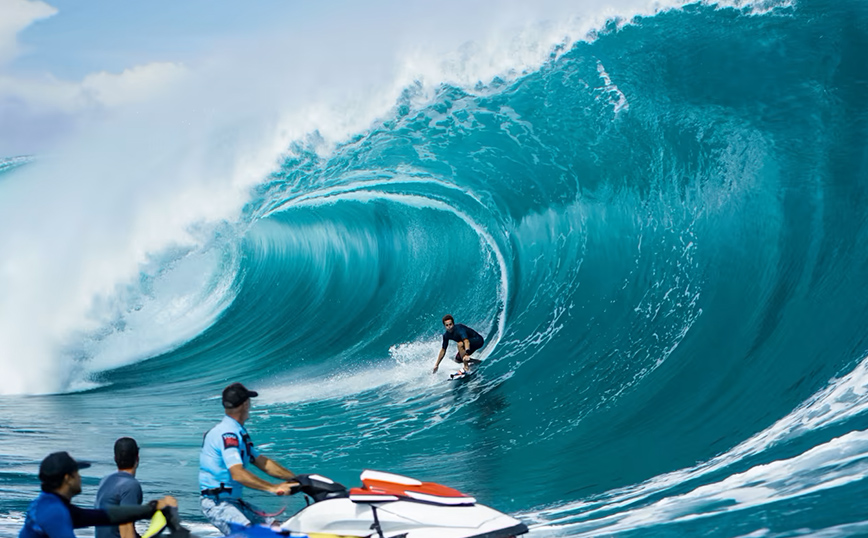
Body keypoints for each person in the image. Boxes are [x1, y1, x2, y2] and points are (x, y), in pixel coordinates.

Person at [199, 382, 298, 535]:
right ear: (245, 404)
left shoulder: (237, 431)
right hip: (218, 504)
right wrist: (273, 488)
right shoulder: (228, 434)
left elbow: (262, 462)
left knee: (276, 529)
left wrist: (296, 478)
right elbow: (237, 473)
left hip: (234, 502)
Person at [19, 451, 176, 538]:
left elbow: (105, 516)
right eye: (77, 473)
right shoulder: (54, 512)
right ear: (68, 478)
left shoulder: (51, 504)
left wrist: (151, 508)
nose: (80, 478)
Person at [95, 438, 142, 538]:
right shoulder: (131, 486)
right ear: (137, 458)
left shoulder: (105, 481)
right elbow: (126, 532)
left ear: (115, 458)